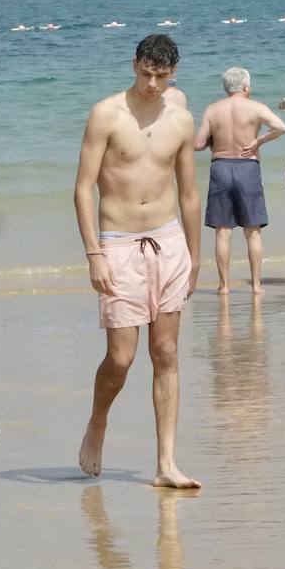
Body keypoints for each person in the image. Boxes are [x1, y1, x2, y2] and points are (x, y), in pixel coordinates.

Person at [73, 34, 202, 489]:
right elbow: (83, 188)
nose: (151, 83)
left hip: (168, 242)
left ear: (173, 74)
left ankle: (166, 462)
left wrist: (195, 256)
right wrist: (94, 254)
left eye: (161, 76)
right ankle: (98, 420)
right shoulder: (106, 114)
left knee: (166, 352)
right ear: (134, 65)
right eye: (145, 73)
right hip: (119, 243)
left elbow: (188, 192)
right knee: (122, 358)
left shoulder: (182, 121)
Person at [194, 66, 285, 295]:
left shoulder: (213, 110)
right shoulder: (256, 107)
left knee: (223, 232)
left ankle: (224, 286)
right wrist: (259, 141)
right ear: (246, 86)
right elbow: (281, 127)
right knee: (253, 231)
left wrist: (213, 142)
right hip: (248, 167)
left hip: (221, 166)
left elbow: (197, 144)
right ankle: (256, 286)